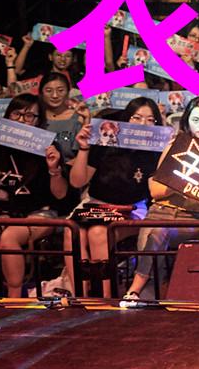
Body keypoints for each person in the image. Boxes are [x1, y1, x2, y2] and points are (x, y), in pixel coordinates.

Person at [122, 98, 199, 305]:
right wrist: (181, 182)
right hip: (159, 212)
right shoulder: (175, 146)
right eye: (196, 120)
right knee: (154, 235)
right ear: (187, 121)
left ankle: (136, 290)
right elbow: (155, 191)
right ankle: (148, 296)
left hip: (190, 218)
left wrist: (197, 194)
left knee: (158, 233)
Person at [66, 99, 163, 297]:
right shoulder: (106, 141)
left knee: (98, 233)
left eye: (150, 120)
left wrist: (166, 148)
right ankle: (80, 294)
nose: (142, 124)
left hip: (133, 208)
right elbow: (77, 181)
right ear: (126, 119)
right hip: (97, 205)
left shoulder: (155, 151)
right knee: (72, 232)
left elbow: (155, 192)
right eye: (137, 118)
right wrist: (84, 148)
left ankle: (106, 297)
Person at [0, 95, 69, 297]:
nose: (22, 120)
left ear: (39, 120)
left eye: (29, 115)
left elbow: (60, 195)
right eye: (17, 113)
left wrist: (54, 169)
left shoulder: (49, 147)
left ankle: (14, 301)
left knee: (8, 238)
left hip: (39, 213)